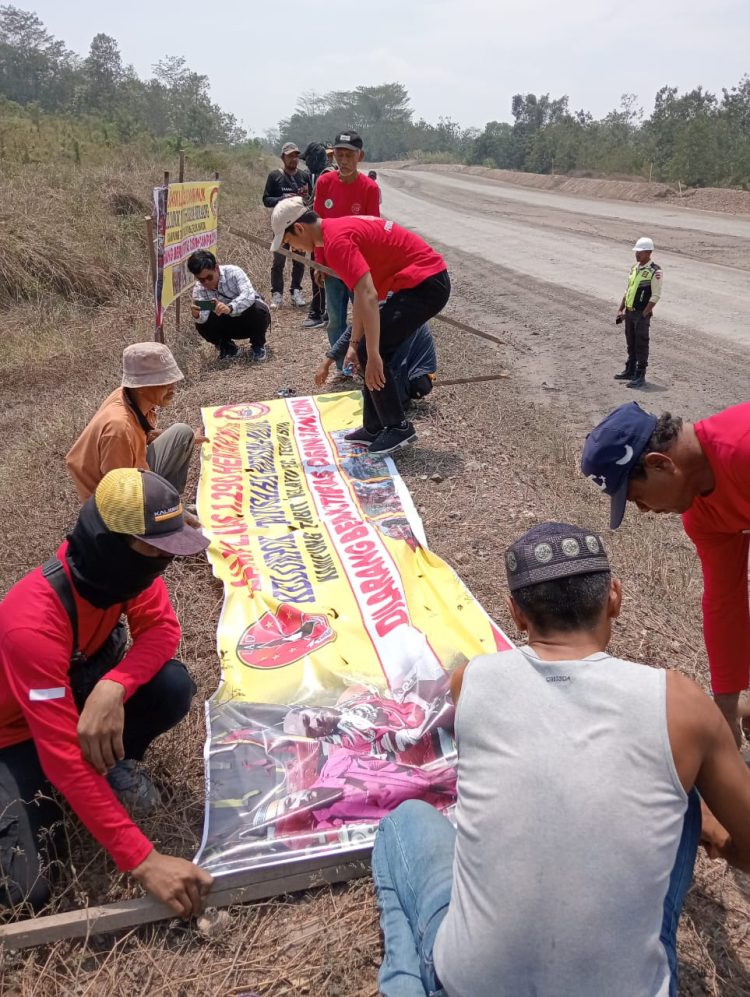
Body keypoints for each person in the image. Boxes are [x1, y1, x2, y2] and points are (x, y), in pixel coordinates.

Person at [372, 521, 750, 997]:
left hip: (470, 985)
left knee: (403, 823)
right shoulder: (681, 704)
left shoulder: (471, 681)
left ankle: (409, 982)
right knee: (687, 800)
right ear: (615, 597)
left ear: (516, 614)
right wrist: (718, 838)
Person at [0, 468, 214, 915]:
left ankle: (111, 764)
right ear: (109, 544)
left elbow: (161, 629)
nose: (162, 565)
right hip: (14, 735)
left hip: (73, 703)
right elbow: (62, 755)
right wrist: (144, 860)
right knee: (26, 893)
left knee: (172, 686)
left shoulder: (122, 575)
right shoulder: (30, 624)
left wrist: (113, 686)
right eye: (154, 551)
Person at [582, 399, 750, 747]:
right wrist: (726, 708)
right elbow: (724, 602)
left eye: (637, 498)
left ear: (659, 463)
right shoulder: (703, 515)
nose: (645, 510)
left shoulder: (742, 449)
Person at [271, 199, 449, 456]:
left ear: (299, 229)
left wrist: (373, 353)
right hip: (420, 283)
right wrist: (354, 346)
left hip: (427, 284)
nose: (293, 249)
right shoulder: (334, 234)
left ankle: (398, 427)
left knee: (375, 350)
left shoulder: (336, 242)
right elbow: (363, 298)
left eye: (289, 243)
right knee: (366, 349)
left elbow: (367, 296)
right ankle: (375, 426)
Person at [65, 343, 204, 501]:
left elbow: (142, 433)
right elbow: (118, 494)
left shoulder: (130, 397)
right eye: (164, 382)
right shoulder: (119, 429)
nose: (173, 388)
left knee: (182, 433)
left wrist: (191, 438)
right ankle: (166, 508)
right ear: (140, 386)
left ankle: (168, 501)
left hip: (131, 478)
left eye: (172, 380)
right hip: (113, 506)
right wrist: (172, 515)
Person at [313, 131, 380, 367]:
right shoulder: (324, 183)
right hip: (331, 266)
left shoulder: (369, 189)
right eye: (339, 155)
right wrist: (319, 263)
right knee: (334, 319)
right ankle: (342, 367)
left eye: (349, 155)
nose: (343, 161)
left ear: (359, 156)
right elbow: (317, 225)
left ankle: (360, 360)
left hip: (357, 267)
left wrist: (368, 271)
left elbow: (373, 233)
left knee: (363, 316)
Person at [315, 322, 436, 407]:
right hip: (395, 357)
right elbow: (352, 332)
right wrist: (326, 364)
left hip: (415, 372)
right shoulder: (373, 303)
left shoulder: (393, 307)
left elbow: (397, 355)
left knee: (394, 401)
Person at [187, 250, 270, 361]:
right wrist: (197, 315)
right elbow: (204, 318)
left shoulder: (234, 272)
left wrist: (230, 307)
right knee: (201, 325)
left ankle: (258, 345)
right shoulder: (199, 288)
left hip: (247, 320)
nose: (206, 282)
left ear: (216, 268)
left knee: (259, 310)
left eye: (209, 277)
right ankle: (228, 349)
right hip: (228, 325)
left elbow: (249, 295)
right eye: (201, 280)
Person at [262, 142, 311, 309]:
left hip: (299, 227)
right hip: (281, 227)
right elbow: (266, 200)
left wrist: (305, 198)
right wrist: (282, 199)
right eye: (290, 156)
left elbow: (310, 201)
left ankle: (296, 291)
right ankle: (277, 294)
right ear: (283, 157)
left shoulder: (304, 176)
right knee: (278, 261)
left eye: (296, 155)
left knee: (299, 260)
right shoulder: (275, 176)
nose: (294, 159)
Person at [614, 236, 663, 389]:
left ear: (649, 252)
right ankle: (630, 370)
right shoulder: (635, 268)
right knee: (631, 343)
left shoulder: (654, 271)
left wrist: (644, 313)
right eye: (636, 252)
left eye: (640, 252)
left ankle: (640, 375)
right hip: (629, 312)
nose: (637, 255)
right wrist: (621, 308)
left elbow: (656, 295)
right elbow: (628, 290)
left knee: (641, 344)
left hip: (641, 314)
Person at [300, 141, 337, 330]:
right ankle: (323, 312)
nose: (307, 165)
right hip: (324, 232)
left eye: (308, 160)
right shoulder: (327, 174)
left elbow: (325, 209)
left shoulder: (327, 176)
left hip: (325, 233)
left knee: (319, 271)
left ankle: (320, 313)